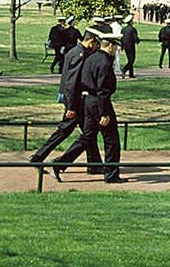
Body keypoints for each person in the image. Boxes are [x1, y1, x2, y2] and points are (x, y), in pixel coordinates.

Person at [51, 28, 125, 184]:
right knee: (111, 140)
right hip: (100, 104)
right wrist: (104, 113)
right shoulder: (104, 63)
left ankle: (60, 164)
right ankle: (111, 175)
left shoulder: (91, 58)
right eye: (116, 47)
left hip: (88, 102)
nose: (116, 51)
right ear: (110, 46)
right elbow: (103, 90)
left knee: (87, 137)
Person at [29, 27, 104, 170]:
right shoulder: (80, 55)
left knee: (88, 133)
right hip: (76, 101)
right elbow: (72, 82)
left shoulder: (74, 51)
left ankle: (94, 164)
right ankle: (38, 157)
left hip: (75, 100)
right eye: (96, 44)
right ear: (92, 41)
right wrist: (71, 106)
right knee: (66, 131)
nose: (96, 48)